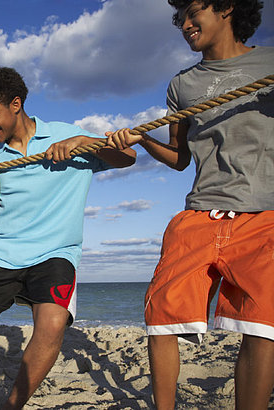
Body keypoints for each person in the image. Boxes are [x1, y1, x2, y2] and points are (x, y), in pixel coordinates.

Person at [105, 1, 274, 408]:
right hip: (200, 211)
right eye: (180, 17)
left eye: (193, 12)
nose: (185, 24)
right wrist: (142, 140)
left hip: (264, 213)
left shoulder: (269, 63)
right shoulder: (182, 85)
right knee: (161, 316)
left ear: (228, 8)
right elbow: (180, 158)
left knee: (263, 325)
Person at [0, 66, 136, 409]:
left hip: (55, 253)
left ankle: (12, 406)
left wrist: (83, 142)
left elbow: (128, 158)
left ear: (15, 104)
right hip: (3, 253)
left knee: (52, 323)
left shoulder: (65, 135)